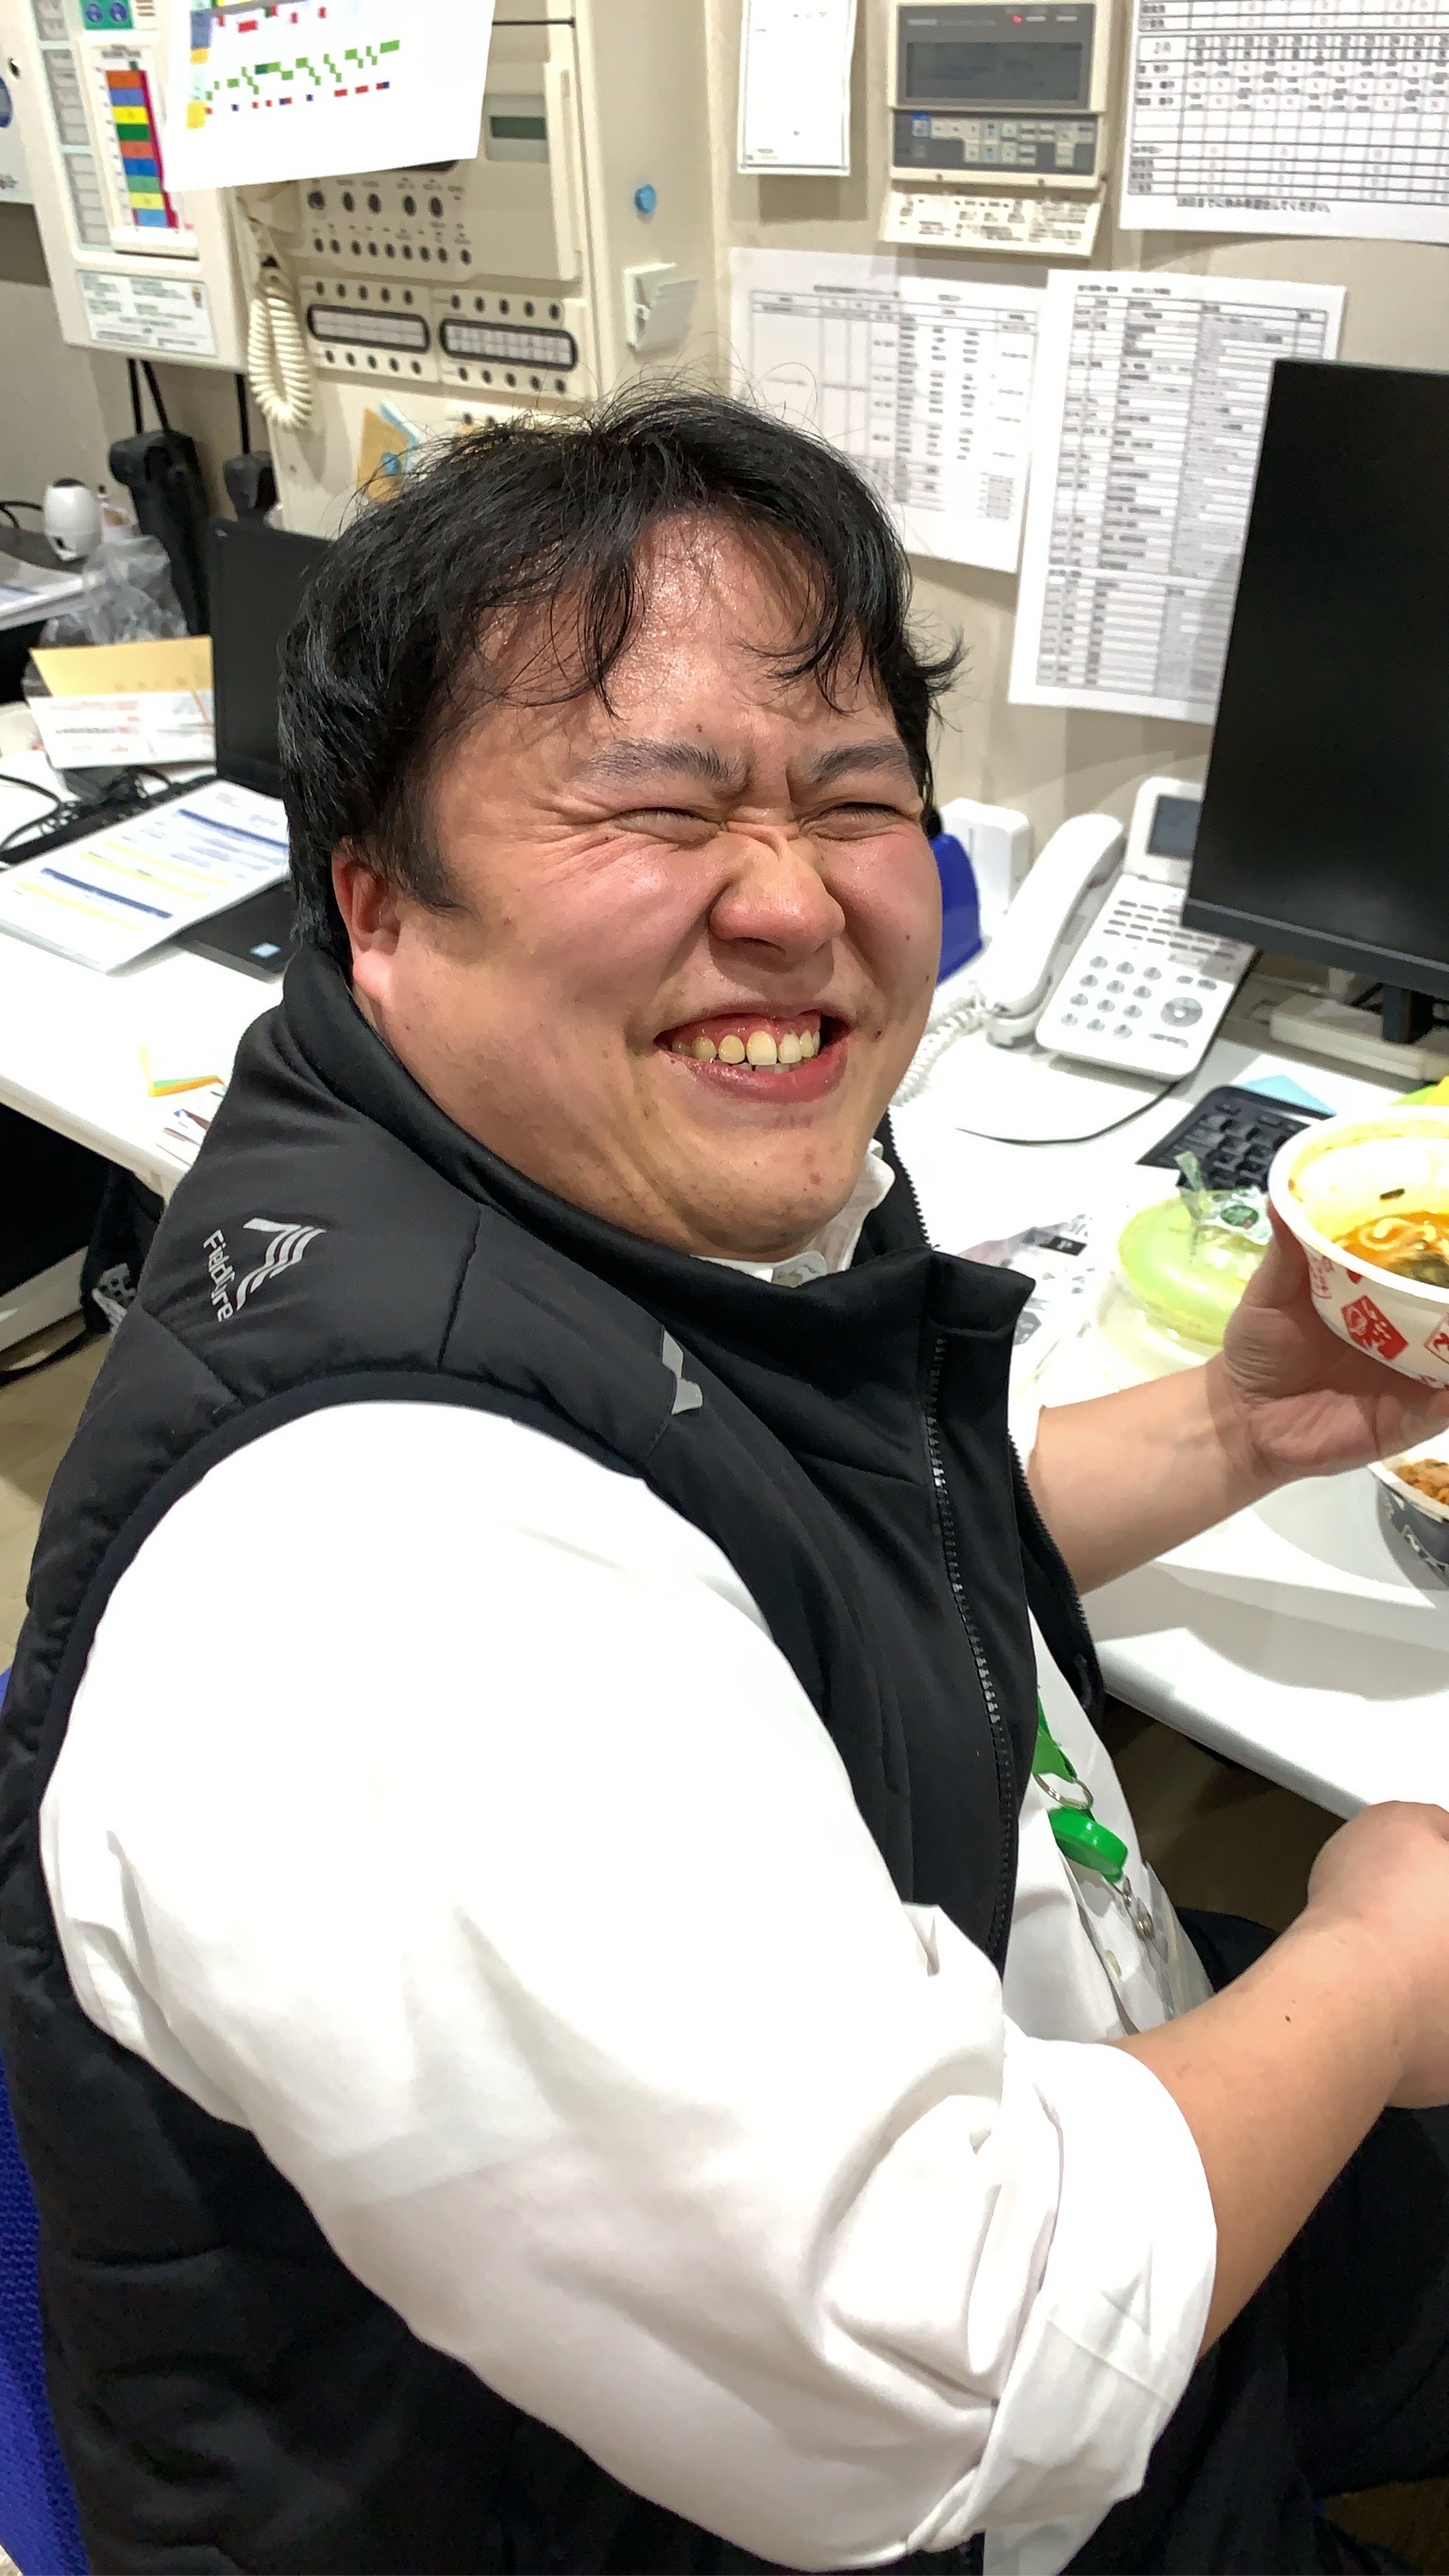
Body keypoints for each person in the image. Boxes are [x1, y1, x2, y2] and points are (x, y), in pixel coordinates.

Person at [4, 390, 1449, 2576]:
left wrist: (1238, 1429)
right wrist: (1375, 1976)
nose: (791, 900)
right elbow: (956, 2372)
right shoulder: (379, 1579)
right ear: (377, 900)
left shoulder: (610, 1196)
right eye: (653, 810)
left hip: (1041, 2045)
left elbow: (813, 1559)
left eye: (854, 800)